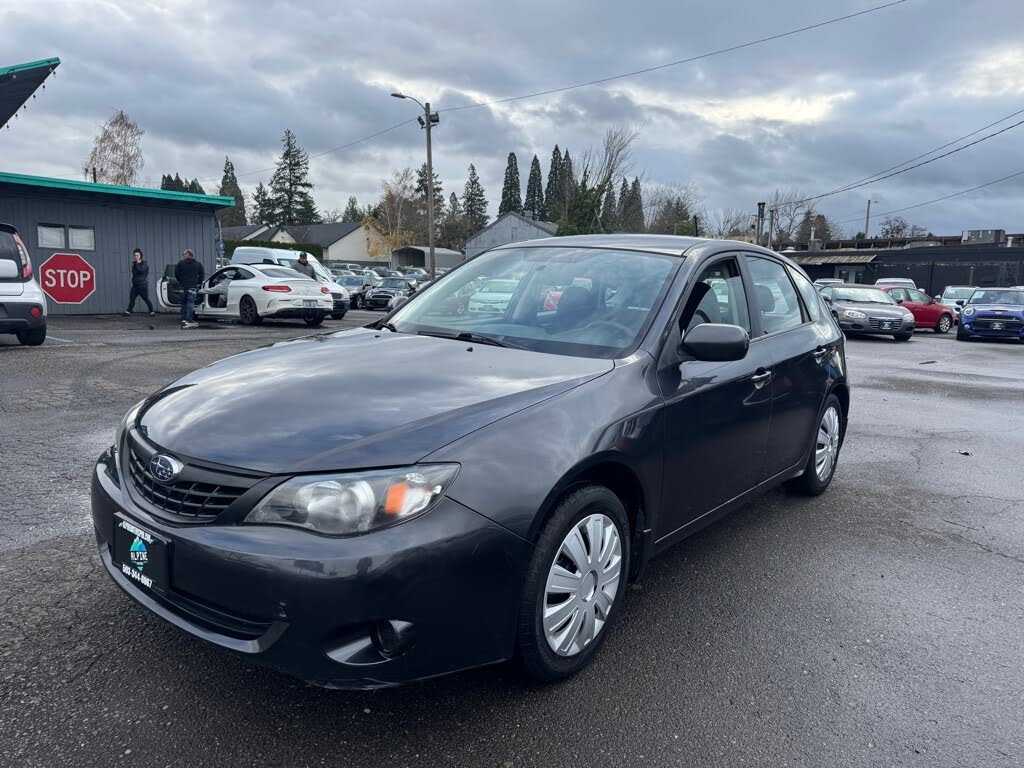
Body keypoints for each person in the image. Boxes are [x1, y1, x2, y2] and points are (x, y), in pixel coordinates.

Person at [174, 248, 205, 329]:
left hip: (183, 286)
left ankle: (184, 319)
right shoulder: (198, 264)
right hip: (193, 287)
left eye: (184, 254)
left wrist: (180, 280)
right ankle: (189, 319)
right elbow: (202, 275)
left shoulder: (180, 263)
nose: (183, 256)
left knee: (183, 303)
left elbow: (176, 273)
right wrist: (197, 283)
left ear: (188, 255)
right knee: (190, 303)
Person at [122, 248, 155, 316]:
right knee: (132, 298)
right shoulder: (134, 264)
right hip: (135, 285)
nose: (135, 257)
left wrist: (137, 264)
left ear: (140, 256)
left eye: (137, 255)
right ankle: (129, 311)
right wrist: (135, 264)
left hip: (142, 285)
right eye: (134, 255)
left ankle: (152, 312)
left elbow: (141, 271)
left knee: (145, 298)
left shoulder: (144, 263)